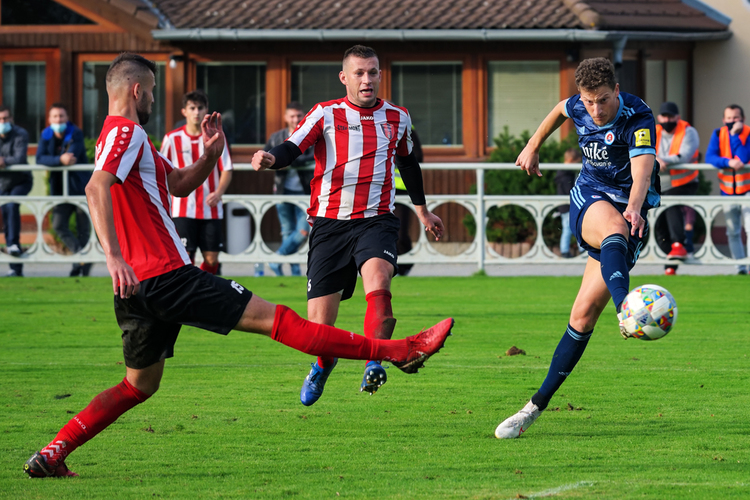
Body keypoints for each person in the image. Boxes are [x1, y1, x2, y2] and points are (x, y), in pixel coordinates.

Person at [23, 52, 453, 479]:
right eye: (152, 91)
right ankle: (402, 349)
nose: (154, 99)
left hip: (138, 290)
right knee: (279, 320)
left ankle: (53, 452)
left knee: (139, 385)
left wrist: (211, 156)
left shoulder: (120, 138)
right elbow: (96, 187)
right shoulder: (127, 132)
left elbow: (175, 184)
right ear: (137, 91)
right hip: (167, 275)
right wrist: (113, 256)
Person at [252, 45, 445, 405]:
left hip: (377, 220)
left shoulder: (397, 117)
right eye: (359, 73)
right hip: (329, 225)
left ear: (380, 75)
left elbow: (408, 166)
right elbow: (292, 148)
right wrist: (270, 159)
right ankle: (324, 363)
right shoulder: (325, 114)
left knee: (379, 282)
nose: (367, 79)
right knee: (319, 329)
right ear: (344, 78)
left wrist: (422, 211)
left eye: (372, 72)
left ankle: (374, 361)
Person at [494, 57, 661, 439]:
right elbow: (559, 110)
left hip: (630, 207)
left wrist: (635, 206)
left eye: (603, 100)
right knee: (614, 226)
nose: (595, 110)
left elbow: (643, 171)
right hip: (590, 198)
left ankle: (532, 407)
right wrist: (533, 145)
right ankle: (627, 308)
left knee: (583, 318)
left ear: (616, 91)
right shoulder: (578, 106)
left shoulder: (638, 116)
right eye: (588, 102)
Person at [161, 90, 232, 275]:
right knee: (185, 257)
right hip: (182, 208)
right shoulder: (172, 138)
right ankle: (192, 295)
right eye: (192, 108)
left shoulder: (216, 137)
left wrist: (219, 192)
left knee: (212, 259)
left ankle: (204, 289)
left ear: (206, 110)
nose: (196, 112)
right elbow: (161, 171)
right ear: (184, 111)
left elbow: (227, 169)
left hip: (211, 208)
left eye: (200, 108)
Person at [36, 103, 93, 277]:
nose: (58, 120)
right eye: (55, 117)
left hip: (80, 186)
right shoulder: (45, 135)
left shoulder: (75, 132)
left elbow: (72, 158)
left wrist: (56, 159)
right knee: (59, 225)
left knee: (84, 228)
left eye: (61, 116)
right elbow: (39, 158)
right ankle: (80, 257)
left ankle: (81, 266)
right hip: (60, 188)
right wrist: (59, 159)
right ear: (49, 119)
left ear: (67, 118)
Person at [263, 101, 314, 277]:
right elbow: (266, 156)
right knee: (287, 232)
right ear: (285, 117)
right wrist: (275, 161)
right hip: (282, 190)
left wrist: (284, 159)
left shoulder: (310, 134)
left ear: (304, 116)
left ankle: (275, 259)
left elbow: (311, 157)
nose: (295, 119)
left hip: (305, 191)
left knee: (302, 231)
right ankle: (293, 272)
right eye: (292, 116)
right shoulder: (277, 136)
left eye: (299, 115)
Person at [652, 101, 700, 275]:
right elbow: (642, 150)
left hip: (685, 181)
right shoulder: (654, 131)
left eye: (671, 117)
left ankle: (679, 245)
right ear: (659, 118)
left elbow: (685, 155)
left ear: (678, 117)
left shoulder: (689, 131)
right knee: (660, 223)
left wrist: (660, 159)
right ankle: (670, 262)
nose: (667, 120)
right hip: (660, 184)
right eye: (664, 116)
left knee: (671, 206)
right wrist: (655, 159)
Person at [705, 104, 750, 275]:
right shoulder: (718, 133)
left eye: (736, 118)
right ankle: (740, 268)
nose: (732, 121)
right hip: (727, 190)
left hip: (747, 189)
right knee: (733, 230)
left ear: (743, 119)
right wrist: (727, 162)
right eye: (729, 118)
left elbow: (744, 157)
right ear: (724, 120)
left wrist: (735, 136)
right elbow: (711, 157)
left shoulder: (748, 132)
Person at [0, 105, 32, 277]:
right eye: (0, 119)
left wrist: (3, 160)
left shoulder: (21, 134)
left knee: (11, 205)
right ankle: (15, 267)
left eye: (5, 119)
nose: (2, 122)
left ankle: (13, 245)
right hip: (3, 183)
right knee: (6, 213)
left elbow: (19, 158)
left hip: (21, 180)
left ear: (11, 119)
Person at [393, 126, 423, 276]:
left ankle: (404, 266)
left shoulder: (403, 125)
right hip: (377, 188)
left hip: (401, 188)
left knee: (400, 231)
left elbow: (417, 156)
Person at [554, 147, 582, 258]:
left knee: (570, 227)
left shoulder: (562, 173)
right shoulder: (566, 175)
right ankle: (566, 250)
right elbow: (570, 191)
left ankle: (568, 249)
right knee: (571, 227)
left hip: (563, 205)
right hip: (567, 205)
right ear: (571, 160)